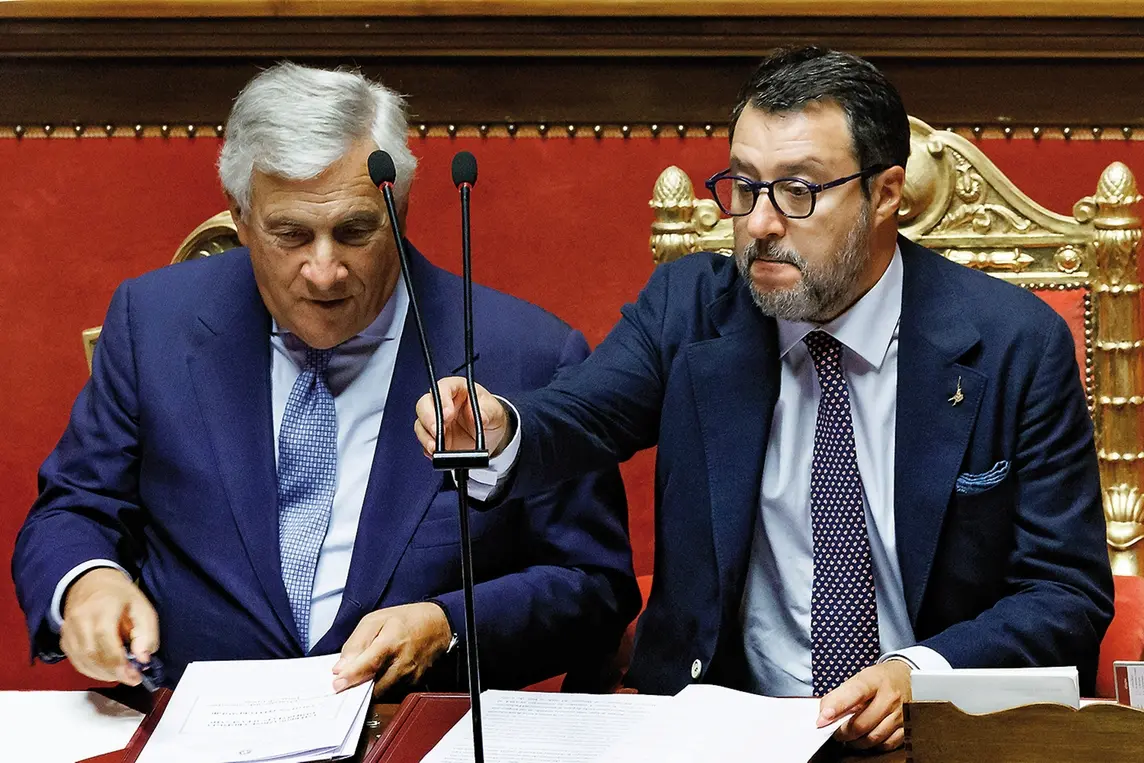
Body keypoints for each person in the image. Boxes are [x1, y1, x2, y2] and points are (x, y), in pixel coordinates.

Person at [416, 47, 1114, 751]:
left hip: (928, 732)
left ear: (887, 192)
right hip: (726, 728)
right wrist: (503, 426)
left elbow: (1065, 591)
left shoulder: (1015, 345)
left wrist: (918, 673)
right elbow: (581, 415)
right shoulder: (691, 310)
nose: (759, 223)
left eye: (799, 191)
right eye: (745, 186)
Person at [13, 62, 639, 697]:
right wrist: (87, 581)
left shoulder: (527, 353)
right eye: (290, 234)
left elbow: (594, 583)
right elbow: (75, 506)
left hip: (409, 733)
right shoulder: (153, 323)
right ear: (242, 216)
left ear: (399, 208)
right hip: (184, 723)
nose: (324, 271)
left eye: (354, 231)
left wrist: (450, 625)